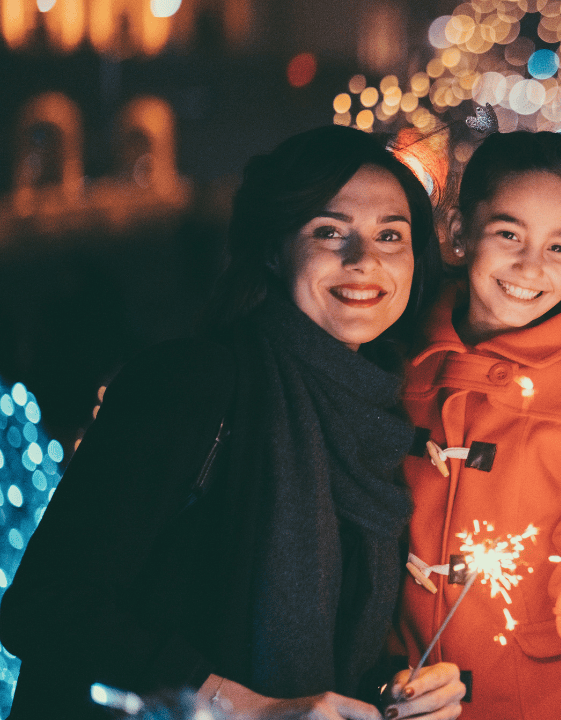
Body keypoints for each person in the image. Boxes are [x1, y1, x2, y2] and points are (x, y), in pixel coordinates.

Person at [0, 126, 465, 720]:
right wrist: (242, 705)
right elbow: (45, 606)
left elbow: (326, 667)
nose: (364, 260)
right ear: (273, 249)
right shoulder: (191, 383)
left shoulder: (383, 421)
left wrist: (394, 695)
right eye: (329, 231)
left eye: (390, 235)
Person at [390, 128, 561, 720]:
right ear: (459, 232)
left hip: (551, 693)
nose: (530, 265)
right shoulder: (402, 359)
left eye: (559, 247)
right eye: (509, 234)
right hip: (412, 684)